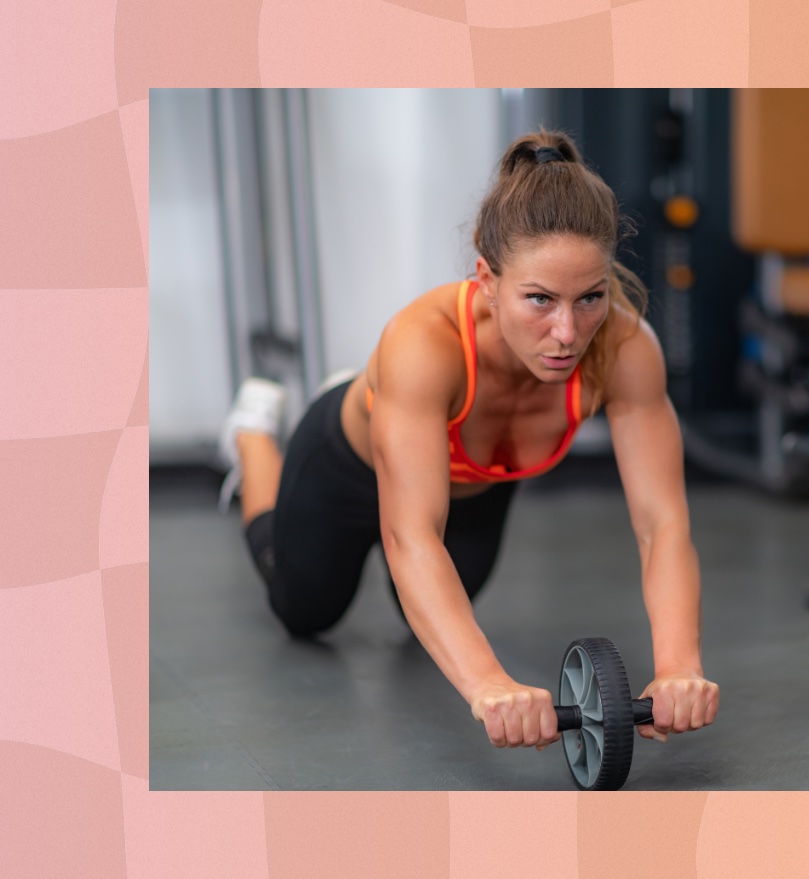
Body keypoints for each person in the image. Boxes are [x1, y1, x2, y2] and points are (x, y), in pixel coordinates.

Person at [218, 129, 719, 753]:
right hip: (349, 467)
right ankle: (252, 437)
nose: (567, 332)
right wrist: (488, 684)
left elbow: (662, 525)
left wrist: (679, 666)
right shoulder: (424, 343)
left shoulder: (625, 349)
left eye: (589, 297)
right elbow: (411, 536)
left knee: (417, 617)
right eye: (539, 299)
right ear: (487, 279)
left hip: (476, 488)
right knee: (304, 612)